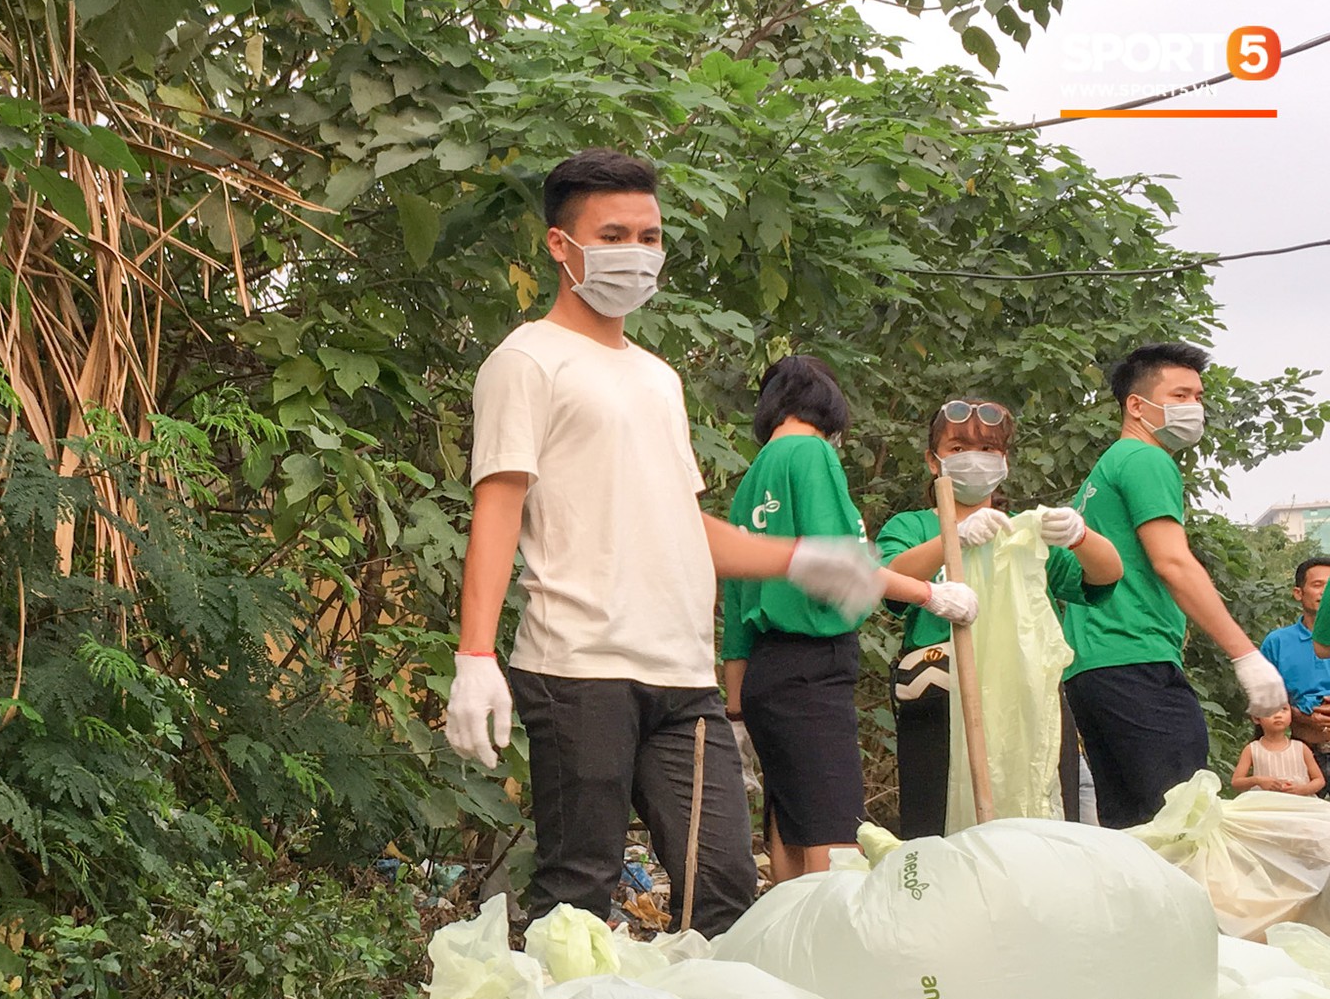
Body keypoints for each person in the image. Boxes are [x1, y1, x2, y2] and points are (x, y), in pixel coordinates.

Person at [443, 149, 892, 933]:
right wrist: (475, 657)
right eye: (614, 233)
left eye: (650, 236)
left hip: (683, 678)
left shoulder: (657, 377)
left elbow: (683, 525)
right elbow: (499, 509)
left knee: (721, 889)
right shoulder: (526, 361)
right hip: (578, 668)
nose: (637, 252)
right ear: (561, 244)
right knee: (577, 895)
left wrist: (800, 559)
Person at [719, 356, 979, 882]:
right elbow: (841, 563)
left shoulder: (751, 482)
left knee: (789, 826)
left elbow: (738, 612)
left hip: (766, 676)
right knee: (836, 835)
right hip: (811, 663)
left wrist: (737, 707)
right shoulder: (811, 452)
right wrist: (930, 594)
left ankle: (787, 955)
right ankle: (833, 956)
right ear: (829, 405)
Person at [1059, 342, 1289, 828]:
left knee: (1135, 832)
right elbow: (1173, 563)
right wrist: (1246, 655)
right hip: (1135, 660)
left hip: (1093, 669)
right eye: (1181, 394)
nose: (1194, 407)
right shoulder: (1146, 460)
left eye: (1199, 396)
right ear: (1137, 406)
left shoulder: (1104, 471)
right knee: (1184, 826)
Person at [877, 399, 1124, 838]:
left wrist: (1081, 535)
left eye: (989, 449)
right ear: (933, 460)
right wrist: (953, 538)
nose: (974, 458)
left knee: (1041, 825)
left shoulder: (1022, 534)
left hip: (1025, 702)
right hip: (940, 696)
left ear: (1005, 461)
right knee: (937, 828)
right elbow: (889, 580)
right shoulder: (912, 526)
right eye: (958, 447)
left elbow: (1105, 575)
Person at [1260, 555, 1330, 793]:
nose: (1325, 592)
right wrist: (1301, 715)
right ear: (1298, 593)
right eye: (1318, 584)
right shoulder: (1277, 642)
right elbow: (1264, 699)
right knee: (1298, 823)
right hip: (1298, 750)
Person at [1231, 704, 1326, 796]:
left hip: (1299, 805)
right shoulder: (1252, 749)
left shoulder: (1301, 748)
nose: (1278, 715)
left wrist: (1302, 789)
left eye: (1283, 709)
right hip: (1265, 805)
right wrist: (1258, 780)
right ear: (1256, 717)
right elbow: (1236, 782)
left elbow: (1319, 780)